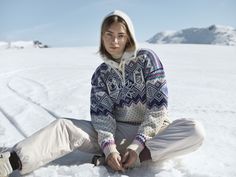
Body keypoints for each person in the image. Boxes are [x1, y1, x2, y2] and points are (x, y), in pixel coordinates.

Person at [0, 10, 205, 176]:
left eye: (120, 35)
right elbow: (102, 117)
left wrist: (137, 146)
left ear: (129, 37)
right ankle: (11, 161)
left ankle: (134, 160)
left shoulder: (147, 59)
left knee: (194, 130)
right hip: (116, 133)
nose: (114, 41)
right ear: (101, 37)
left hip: (152, 132)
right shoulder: (101, 74)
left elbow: (158, 108)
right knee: (64, 127)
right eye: (109, 35)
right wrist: (109, 148)